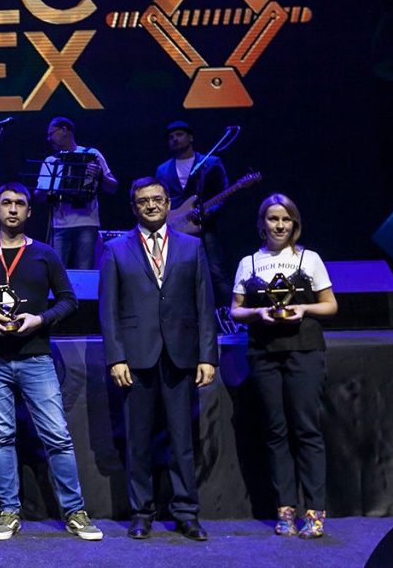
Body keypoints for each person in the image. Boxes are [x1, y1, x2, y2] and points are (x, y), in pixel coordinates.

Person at [0, 182, 103, 541]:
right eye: (6, 203)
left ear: (29, 211)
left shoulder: (45, 254)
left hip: (36, 356)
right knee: (1, 436)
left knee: (57, 435)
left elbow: (69, 301)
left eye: (19, 203)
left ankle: (75, 511)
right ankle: (9, 511)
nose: (13, 209)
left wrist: (40, 319)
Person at [98, 177, 218, 541]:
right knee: (138, 440)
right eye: (143, 201)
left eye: (157, 199)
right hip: (136, 357)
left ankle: (186, 513)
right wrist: (116, 357)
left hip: (181, 354)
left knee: (182, 439)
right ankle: (141, 512)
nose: (151, 205)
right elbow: (108, 310)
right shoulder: (116, 249)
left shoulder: (192, 246)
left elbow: (204, 303)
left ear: (168, 203)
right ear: (133, 207)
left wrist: (208, 356)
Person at [229, 194, 337, 539]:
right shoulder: (248, 262)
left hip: (304, 351)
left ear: (294, 223)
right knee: (276, 432)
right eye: (273, 219)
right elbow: (235, 310)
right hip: (264, 353)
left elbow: (330, 305)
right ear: (262, 223)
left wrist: (304, 309)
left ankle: (314, 512)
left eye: (286, 219)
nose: (279, 225)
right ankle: (285, 511)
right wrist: (257, 313)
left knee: (306, 430)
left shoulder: (309, 258)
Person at [155, 121, 232, 309]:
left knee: (215, 271)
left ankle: (233, 315)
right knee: (176, 274)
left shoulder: (210, 163)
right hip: (175, 228)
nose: (175, 139)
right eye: (171, 137)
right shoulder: (162, 170)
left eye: (179, 135)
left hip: (205, 227)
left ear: (190, 137)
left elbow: (223, 193)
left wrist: (209, 213)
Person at [34, 117, 117, 270]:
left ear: (64, 130)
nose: (48, 139)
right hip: (59, 225)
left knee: (84, 272)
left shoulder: (92, 154)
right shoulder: (51, 161)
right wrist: (46, 188)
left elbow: (113, 187)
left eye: (51, 134)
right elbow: (39, 197)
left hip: (87, 224)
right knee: (56, 272)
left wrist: (100, 175)